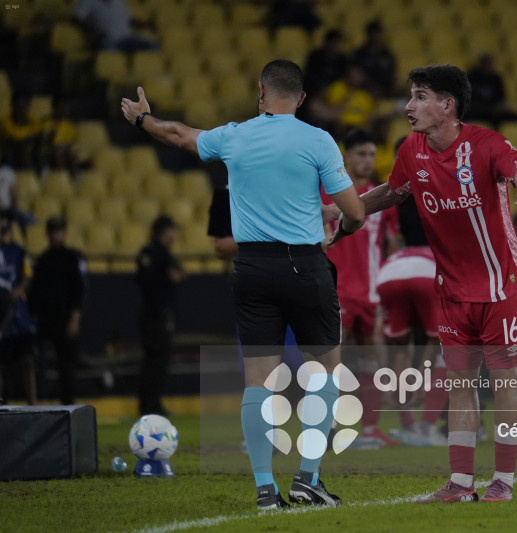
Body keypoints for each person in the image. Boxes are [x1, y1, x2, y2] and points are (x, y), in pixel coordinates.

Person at [121, 59, 364, 510]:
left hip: (251, 267)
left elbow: (179, 134)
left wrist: (142, 119)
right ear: (302, 98)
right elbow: (355, 211)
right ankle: (308, 479)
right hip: (305, 265)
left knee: (257, 384)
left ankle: (265, 491)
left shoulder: (234, 135)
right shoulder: (318, 140)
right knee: (325, 375)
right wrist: (339, 227)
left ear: (260, 90)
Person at [325, 64, 517, 503]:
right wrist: (344, 211)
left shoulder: (486, 143)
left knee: (504, 383)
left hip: (501, 284)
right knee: (460, 383)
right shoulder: (411, 149)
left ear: (447, 105)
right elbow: (392, 191)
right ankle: (461, 483)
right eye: (410, 96)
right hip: (451, 288)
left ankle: (503, 481)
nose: (409, 106)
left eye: (420, 96)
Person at [323, 128, 399, 447]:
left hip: (371, 294)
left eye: (372, 155)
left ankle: (369, 429)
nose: (368, 161)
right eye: (361, 154)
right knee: (332, 364)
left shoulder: (381, 197)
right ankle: (330, 429)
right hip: (336, 291)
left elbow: (391, 246)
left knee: (371, 362)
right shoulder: (326, 193)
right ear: (346, 157)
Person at [377, 193, 449, 447]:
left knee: (400, 348)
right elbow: (434, 340)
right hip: (427, 273)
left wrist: (392, 381)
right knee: (445, 351)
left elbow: (397, 347)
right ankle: (426, 429)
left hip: (387, 273)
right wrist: (421, 380)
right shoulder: (440, 249)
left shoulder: (401, 244)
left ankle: (408, 424)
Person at [28, 216, 87, 405]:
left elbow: (79, 289)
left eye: (59, 231)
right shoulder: (43, 260)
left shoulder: (71, 257)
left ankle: (67, 404)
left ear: (65, 233)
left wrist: (75, 317)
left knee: (66, 365)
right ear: (47, 234)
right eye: (53, 231)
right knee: (35, 362)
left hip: (64, 318)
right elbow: (35, 292)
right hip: (44, 318)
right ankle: (37, 401)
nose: (56, 235)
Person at [135, 215, 185, 417]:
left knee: (159, 361)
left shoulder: (163, 254)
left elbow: (180, 273)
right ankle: (148, 404)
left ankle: (153, 403)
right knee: (154, 361)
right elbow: (147, 279)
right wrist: (168, 277)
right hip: (154, 315)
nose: (174, 235)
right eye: (171, 231)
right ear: (162, 232)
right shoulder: (152, 253)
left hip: (160, 314)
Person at [0, 211, 36, 405]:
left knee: (27, 360)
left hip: (17, 313)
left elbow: (28, 274)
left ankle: (33, 404)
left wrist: (19, 289)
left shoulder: (18, 250)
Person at [72, 0, 159, 52]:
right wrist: (91, 31)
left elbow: (129, 19)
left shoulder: (118, 1)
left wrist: (146, 24)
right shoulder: (87, 1)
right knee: (110, 54)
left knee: (154, 46)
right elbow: (76, 19)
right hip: (108, 40)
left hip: (127, 38)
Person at [465, 53, 517, 128]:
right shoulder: (471, 77)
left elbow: (501, 98)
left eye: (489, 63)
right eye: (485, 63)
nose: (487, 66)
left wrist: (498, 108)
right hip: (476, 109)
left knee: (513, 117)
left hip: (493, 110)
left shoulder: (496, 78)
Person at [351, 20, 396, 98]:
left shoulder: (387, 54)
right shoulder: (359, 54)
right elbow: (356, 76)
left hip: (385, 90)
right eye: (373, 33)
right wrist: (369, 87)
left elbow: (392, 75)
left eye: (378, 33)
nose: (375, 37)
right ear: (368, 34)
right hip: (365, 90)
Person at [0, 92, 41, 170]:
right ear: (12, 106)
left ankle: (33, 174)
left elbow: (37, 139)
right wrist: (27, 139)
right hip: (10, 156)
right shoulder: (4, 123)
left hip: (29, 154)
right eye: (19, 106)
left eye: (24, 107)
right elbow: (12, 141)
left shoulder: (34, 123)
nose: (22, 110)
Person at [303, 29, 347, 99]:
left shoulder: (343, 60)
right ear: (327, 43)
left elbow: (342, 79)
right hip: (313, 92)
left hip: (333, 91)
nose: (336, 47)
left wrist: (329, 87)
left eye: (338, 44)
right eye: (334, 43)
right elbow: (310, 77)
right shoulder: (315, 56)